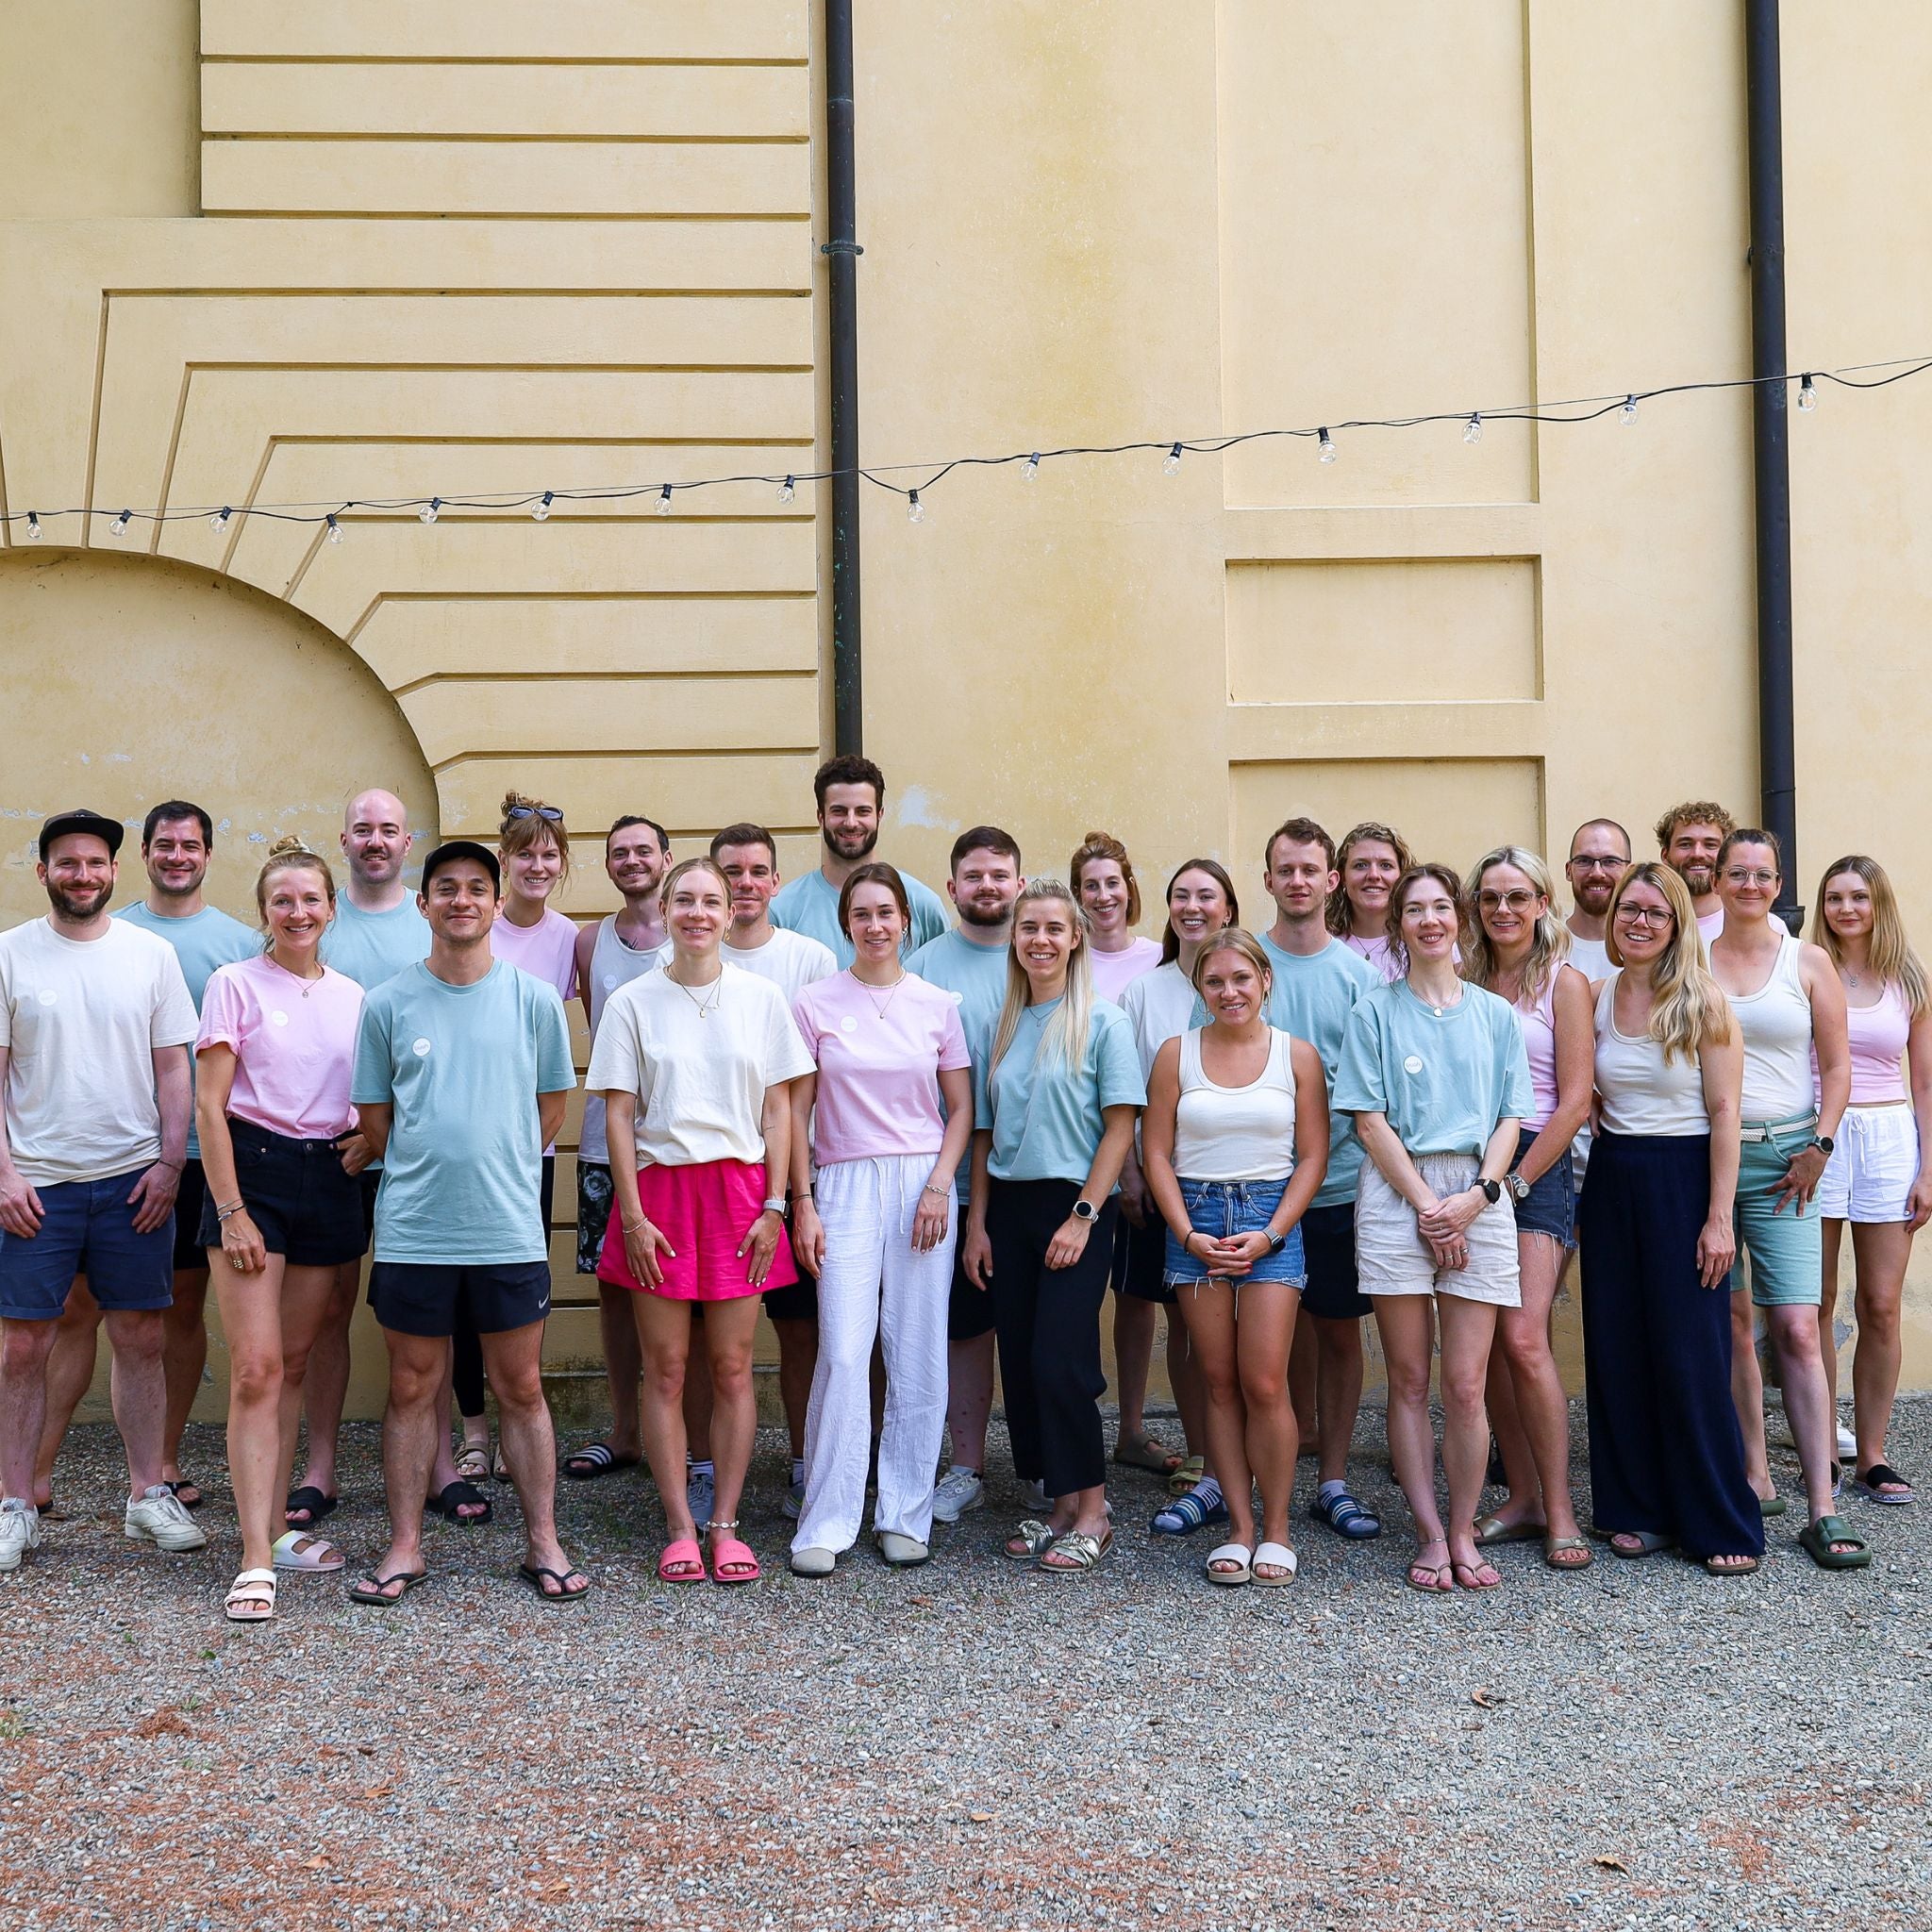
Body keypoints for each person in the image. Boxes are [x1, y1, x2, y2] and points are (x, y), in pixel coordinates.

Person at [348, 840, 587, 1606]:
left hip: (507, 1228)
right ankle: (405, 1547)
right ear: (423, 904)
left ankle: (543, 1542)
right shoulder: (386, 1004)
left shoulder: (534, 1001)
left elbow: (552, 1109)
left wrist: (497, 1160)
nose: (461, 900)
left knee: (520, 1386)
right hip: (417, 1230)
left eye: (476, 888)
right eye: (445, 888)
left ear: (494, 902)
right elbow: (376, 1120)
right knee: (414, 1386)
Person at [588, 856, 814, 1588]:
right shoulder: (632, 1001)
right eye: (682, 899)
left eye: (709, 901)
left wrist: (776, 1206)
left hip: (742, 1195)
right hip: (660, 1194)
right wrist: (631, 1215)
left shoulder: (762, 999)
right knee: (668, 1369)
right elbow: (619, 1114)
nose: (696, 912)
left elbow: (779, 1111)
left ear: (730, 911)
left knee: (732, 1366)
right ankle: (679, 1524)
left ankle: (726, 1524)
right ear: (664, 907)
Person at [30, 802, 256, 1523]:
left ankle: (158, 1471)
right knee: (70, 1314)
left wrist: (184, 1159)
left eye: (191, 845)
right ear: (147, 855)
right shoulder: (108, 928)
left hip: (185, 1159)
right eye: (166, 844)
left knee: (166, 1317)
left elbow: (224, 1059)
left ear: (209, 854)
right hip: (88, 1165)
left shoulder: (237, 941)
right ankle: (30, 1478)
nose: (178, 856)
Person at [0, 809, 207, 1572]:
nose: (81, 874)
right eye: (67, 863)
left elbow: (174, 1068)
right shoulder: (10, 955)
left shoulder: (149, 956)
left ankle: (147, 1494)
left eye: (94, 863)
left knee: (143, 1338)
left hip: (134, 1182)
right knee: (23, 1346)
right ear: (44, 871)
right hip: (37, 1186)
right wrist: (4, 1176)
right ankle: (14, 1503)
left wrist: (168, 1164)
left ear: (114, 871)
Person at [1334, 862, 1531, 1593]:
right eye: (1413, 910)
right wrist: (1426, 1206)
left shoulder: (1494, 1015)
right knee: (1411, 1380)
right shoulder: (1374, 1013)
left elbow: (1512, 1116)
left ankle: (1462, 1528)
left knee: (1468, 1385)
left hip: (1479, 1195)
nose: (1428, 920)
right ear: (1399, 926)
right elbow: (1366, 1117)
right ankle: (1426, 1532)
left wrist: (1475, 1199)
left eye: (1440, 907)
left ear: (1460, 919)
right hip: (1397, 1192)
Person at [194, 841, 369, 1620]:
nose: (297, 913)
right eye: (282, 901)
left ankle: (277, 1531)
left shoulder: (356, 997)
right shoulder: (233, 984)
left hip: (327, 1175)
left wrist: (370, 1142)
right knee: (256, 1370)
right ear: (264, 911)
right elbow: (209, 1106)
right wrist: (231, 1209)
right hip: (253, 1175)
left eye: (310, 900)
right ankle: (255, 1555)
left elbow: (370, 1096)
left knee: (295, 1363)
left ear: (331, 908)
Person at [787, 863, 974, 1574]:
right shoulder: (813, 1003)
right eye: (861, 914)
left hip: (922, 1182)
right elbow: (797, 1113)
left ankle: (905, 1512)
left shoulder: (936, 1003)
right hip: (841, 1182)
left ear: (905, 920)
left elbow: (960, 1110)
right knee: (841, 1348)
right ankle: (828, 1519)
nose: (874, 925)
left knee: (918, 1349)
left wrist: (938, 1186)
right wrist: (802, 1200)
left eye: (886, 912)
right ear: (846, 924)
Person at [1579, 862, 1760, 1574]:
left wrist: (1719, 1219)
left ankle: (1719, 1520)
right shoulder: (1596, 996)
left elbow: (1725, 1115)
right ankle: (1634, 1509)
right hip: (1615, 1177)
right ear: (1614, 917)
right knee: (1619, 1348)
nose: (1641, 921)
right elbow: (1580, 1090)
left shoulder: (1704, 1003)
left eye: (1657, 911)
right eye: (1631, 908)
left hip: (1685, 1180)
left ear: (1678, 921)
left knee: (1692, 1356)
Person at [962, 879, 1143, 1575]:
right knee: (1024, 1364)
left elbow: (1120, 1125)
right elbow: (983, 1132)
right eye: (1027, 927)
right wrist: (977, 1224)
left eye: (1052, 929)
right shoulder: (1000, 1025)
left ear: (1075, 939)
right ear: (1015, 940)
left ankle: (1094, 1510)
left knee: (1063, 1364)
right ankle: (1061, 1507)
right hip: (1008, 1209)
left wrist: (1084, 1216)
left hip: (1076, 1206)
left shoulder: (1103, 1021)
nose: (1039, 939)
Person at [1141, 931, 1327, 1587]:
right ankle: (1240, 1527)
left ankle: (1277, 1530)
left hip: (1269, 1221)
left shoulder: (1295, 1057)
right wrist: (1186, 1233)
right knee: (1217, 1380)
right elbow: (1156, 1153)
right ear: (1200, 990)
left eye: (1241, 979)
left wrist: (1273, 1233)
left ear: (1265, 980)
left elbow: (1312, 1157)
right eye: (1215, 982)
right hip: (1196, 1223)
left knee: (1264, 1382)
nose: (1230, 992)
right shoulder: (1176, 1055)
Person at [1707, 830, 1866, 1570]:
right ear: (1716, 879)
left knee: (1799, 1327)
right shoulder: (1695, 957)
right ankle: (1753, 1474)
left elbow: (1837, 1067)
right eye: (1735, 872)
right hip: (1710, 1155)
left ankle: (1823, 1506)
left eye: (1761, 874)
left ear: (1777, 883)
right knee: (1733, 1321)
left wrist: (1821, 1147)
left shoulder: (1807, 961)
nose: (1748, 883)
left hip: (1790, 1157)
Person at [291, 787, 433, 1533]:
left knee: (426, 1313)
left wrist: (394, 1134)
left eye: (388, 830)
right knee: (327, 1313)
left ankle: (437, 1464)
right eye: (362, 830)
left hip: (422, 1155)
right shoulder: (320, 923)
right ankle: (319, 1467)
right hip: (339, 1156)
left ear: (408, 842)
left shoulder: (433, 919)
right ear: (342, 840)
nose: (375, 840)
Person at [1459, 848, 1593, 1570]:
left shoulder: (1564, 984)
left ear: (1543, 902)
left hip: (1537, 1166)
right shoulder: (1465, 980)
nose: (1503, 910)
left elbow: (1576, 1101)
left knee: (1524, 1339)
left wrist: (1513, 1183)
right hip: (1474, 1160)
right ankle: (1522, 1500)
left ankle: (1562, 1508)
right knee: (1487, 1350)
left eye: (1517, 896)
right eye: (1489, 899)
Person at [703, 822, 838, 1522]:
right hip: (711, 1173)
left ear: (776, 882)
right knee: (706, 1334)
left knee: (798, 1327)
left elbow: (813, 1076)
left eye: (758, 872)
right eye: (733, 872)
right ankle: (703, 1463)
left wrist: (800, 1183)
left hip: (792, 1168)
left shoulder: (808, 958)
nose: (745, 884)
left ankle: (804, 1460)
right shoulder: (689, 951)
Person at [445, 794, 580, 1491]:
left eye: (548, 853)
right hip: (461, 1146)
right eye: (524, 851)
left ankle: (513, 1416)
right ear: (503, 861)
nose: (537, 863)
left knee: (519, 1293)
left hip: (532, 1148)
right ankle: (471, 1427)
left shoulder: (569, 940)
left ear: (561, 865)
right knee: (463, 1291)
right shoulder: (472, 922)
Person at [1255, 819, 1382, 1540]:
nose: (1298, 881)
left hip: (1339, 1186)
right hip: (1255, 1188)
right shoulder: (1245, 966)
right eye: (1285, 869)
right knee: (1262, 1344)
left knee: (1336, 1334)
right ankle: (1242, 1475)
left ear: (1330, 881)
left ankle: (1331, 1477)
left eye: (1311, 869)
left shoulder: (1361, 979)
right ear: (1268, 879)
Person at [906, 827, 1025, 1523]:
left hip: (1034, 1172)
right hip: (951, 1179)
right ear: (951, 888)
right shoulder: (924, 967)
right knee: (965, 1327)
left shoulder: (1043, 953)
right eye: (973, 876)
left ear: (1018, 881)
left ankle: (1041, 1464)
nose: (986, 887)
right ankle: (967, 1464)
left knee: (1035, 1326)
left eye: (999, 875)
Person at [1119, 859, 1240, 1522]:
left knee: (1234, 1326)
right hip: (1165, 1184)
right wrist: (1132, 1172)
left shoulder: (1247, 982)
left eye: (1205, 896)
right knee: (1184, 1322)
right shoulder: (1147, 991)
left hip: (1242, 1185)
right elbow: (1129, 1094)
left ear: (1229, 907)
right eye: (1180, 896)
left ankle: (1238, 1451)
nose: (1191, 907)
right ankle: (1201, 1453)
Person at [1811, 856, 1930, 1505]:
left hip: (1889, 1139)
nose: (1846, 908)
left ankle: (1873, 1454)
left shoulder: (1908, 980)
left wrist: (1930, 1169)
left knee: (1880, 1304)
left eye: (1859, 896)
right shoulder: (1806, 970)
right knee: (1817, 1305)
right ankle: (1822, 1445)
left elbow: (1926, 1082)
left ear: (1878, 903)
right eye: (1834, 897)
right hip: (1822, 1136)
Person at [565, 814, 671, 1486]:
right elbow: (598, 1035)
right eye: (618, 853)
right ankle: (625, 1431)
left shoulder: (693, 928)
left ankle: (687, 1437)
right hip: (608, 1140)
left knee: (679, 1287)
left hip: (677, 1143)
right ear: (608, 866)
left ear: (667, 857)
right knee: (613, 1287)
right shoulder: (588, 941)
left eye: (642, 850)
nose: (631, 860)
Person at [1070, 830, 1174, 1481]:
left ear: (1130, 889)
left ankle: (1139, 1429)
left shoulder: (1157, 960)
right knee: (1113, 1297)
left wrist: (1139, 1158)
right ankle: (1108, 1426)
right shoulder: (1068, 958)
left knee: (1168, 1295)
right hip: (1087, 1152)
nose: (1103, 896)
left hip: (1152, 1149)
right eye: (1091, 886)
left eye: (1113, 883)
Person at [771, 754, 947, 964]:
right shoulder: (784, 910)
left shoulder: (923, 905)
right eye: (839, 811)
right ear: (821, 817)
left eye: (863, 811)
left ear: (879, 815)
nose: (851, 822)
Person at [1655, 801, 1787, 946]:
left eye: (1710, 845)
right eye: (1685, 844)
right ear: (1665, 856)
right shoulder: (1650, 923)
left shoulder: (1771, 928)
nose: (1698, 853)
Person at [1326, 823, 1415, 982]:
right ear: (1342, 877)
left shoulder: (1423, 938)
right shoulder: (1323, 943)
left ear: (1402, 876)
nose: (1374, 875)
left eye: (1386, 866)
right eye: (1360, 865)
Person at [1563, 818, 1632, 983]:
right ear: (1568, 871)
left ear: (1630, 872)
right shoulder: (1544, 946)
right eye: (1584, 861)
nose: (1597, 872)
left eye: (1610, 862)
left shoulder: (1644, 947)